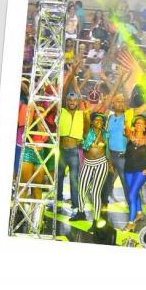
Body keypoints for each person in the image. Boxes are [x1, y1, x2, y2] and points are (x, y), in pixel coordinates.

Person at [57, 64, 90, 210]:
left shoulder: (81, 114)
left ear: (77, 102)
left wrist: (74, 79)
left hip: (74, 151)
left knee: (74, 178)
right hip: (61, 150)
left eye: (74, 100)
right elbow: (64, 91)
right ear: (66, 102)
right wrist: (71, 74)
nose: (71, 102)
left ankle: (75, 203)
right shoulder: (62, 111)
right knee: (58, 176)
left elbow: (86, 130)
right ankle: (57, 198)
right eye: (69, 100)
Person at [69, 113, 109, 231]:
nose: (99, 122)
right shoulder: (87, 131)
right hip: (87, 163)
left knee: (95, 192)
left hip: (101, 164)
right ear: (92, 122)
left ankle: (96, 220)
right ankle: (81, 213)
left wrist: (110, 163)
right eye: (96, 120)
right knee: (82, 189)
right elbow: (86, 120)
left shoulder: (105, 134)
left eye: (101, 120)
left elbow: (108, 150)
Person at [123, 115, 146, 232]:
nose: (139, 125)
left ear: (145, 127)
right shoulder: (129, 136)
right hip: (128, 169)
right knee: (134, 191)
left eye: (141, 123)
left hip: (141, 170)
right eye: (137, 123)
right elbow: (126, 123)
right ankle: (139, 213)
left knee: (131, 195)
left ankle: (130, 223)